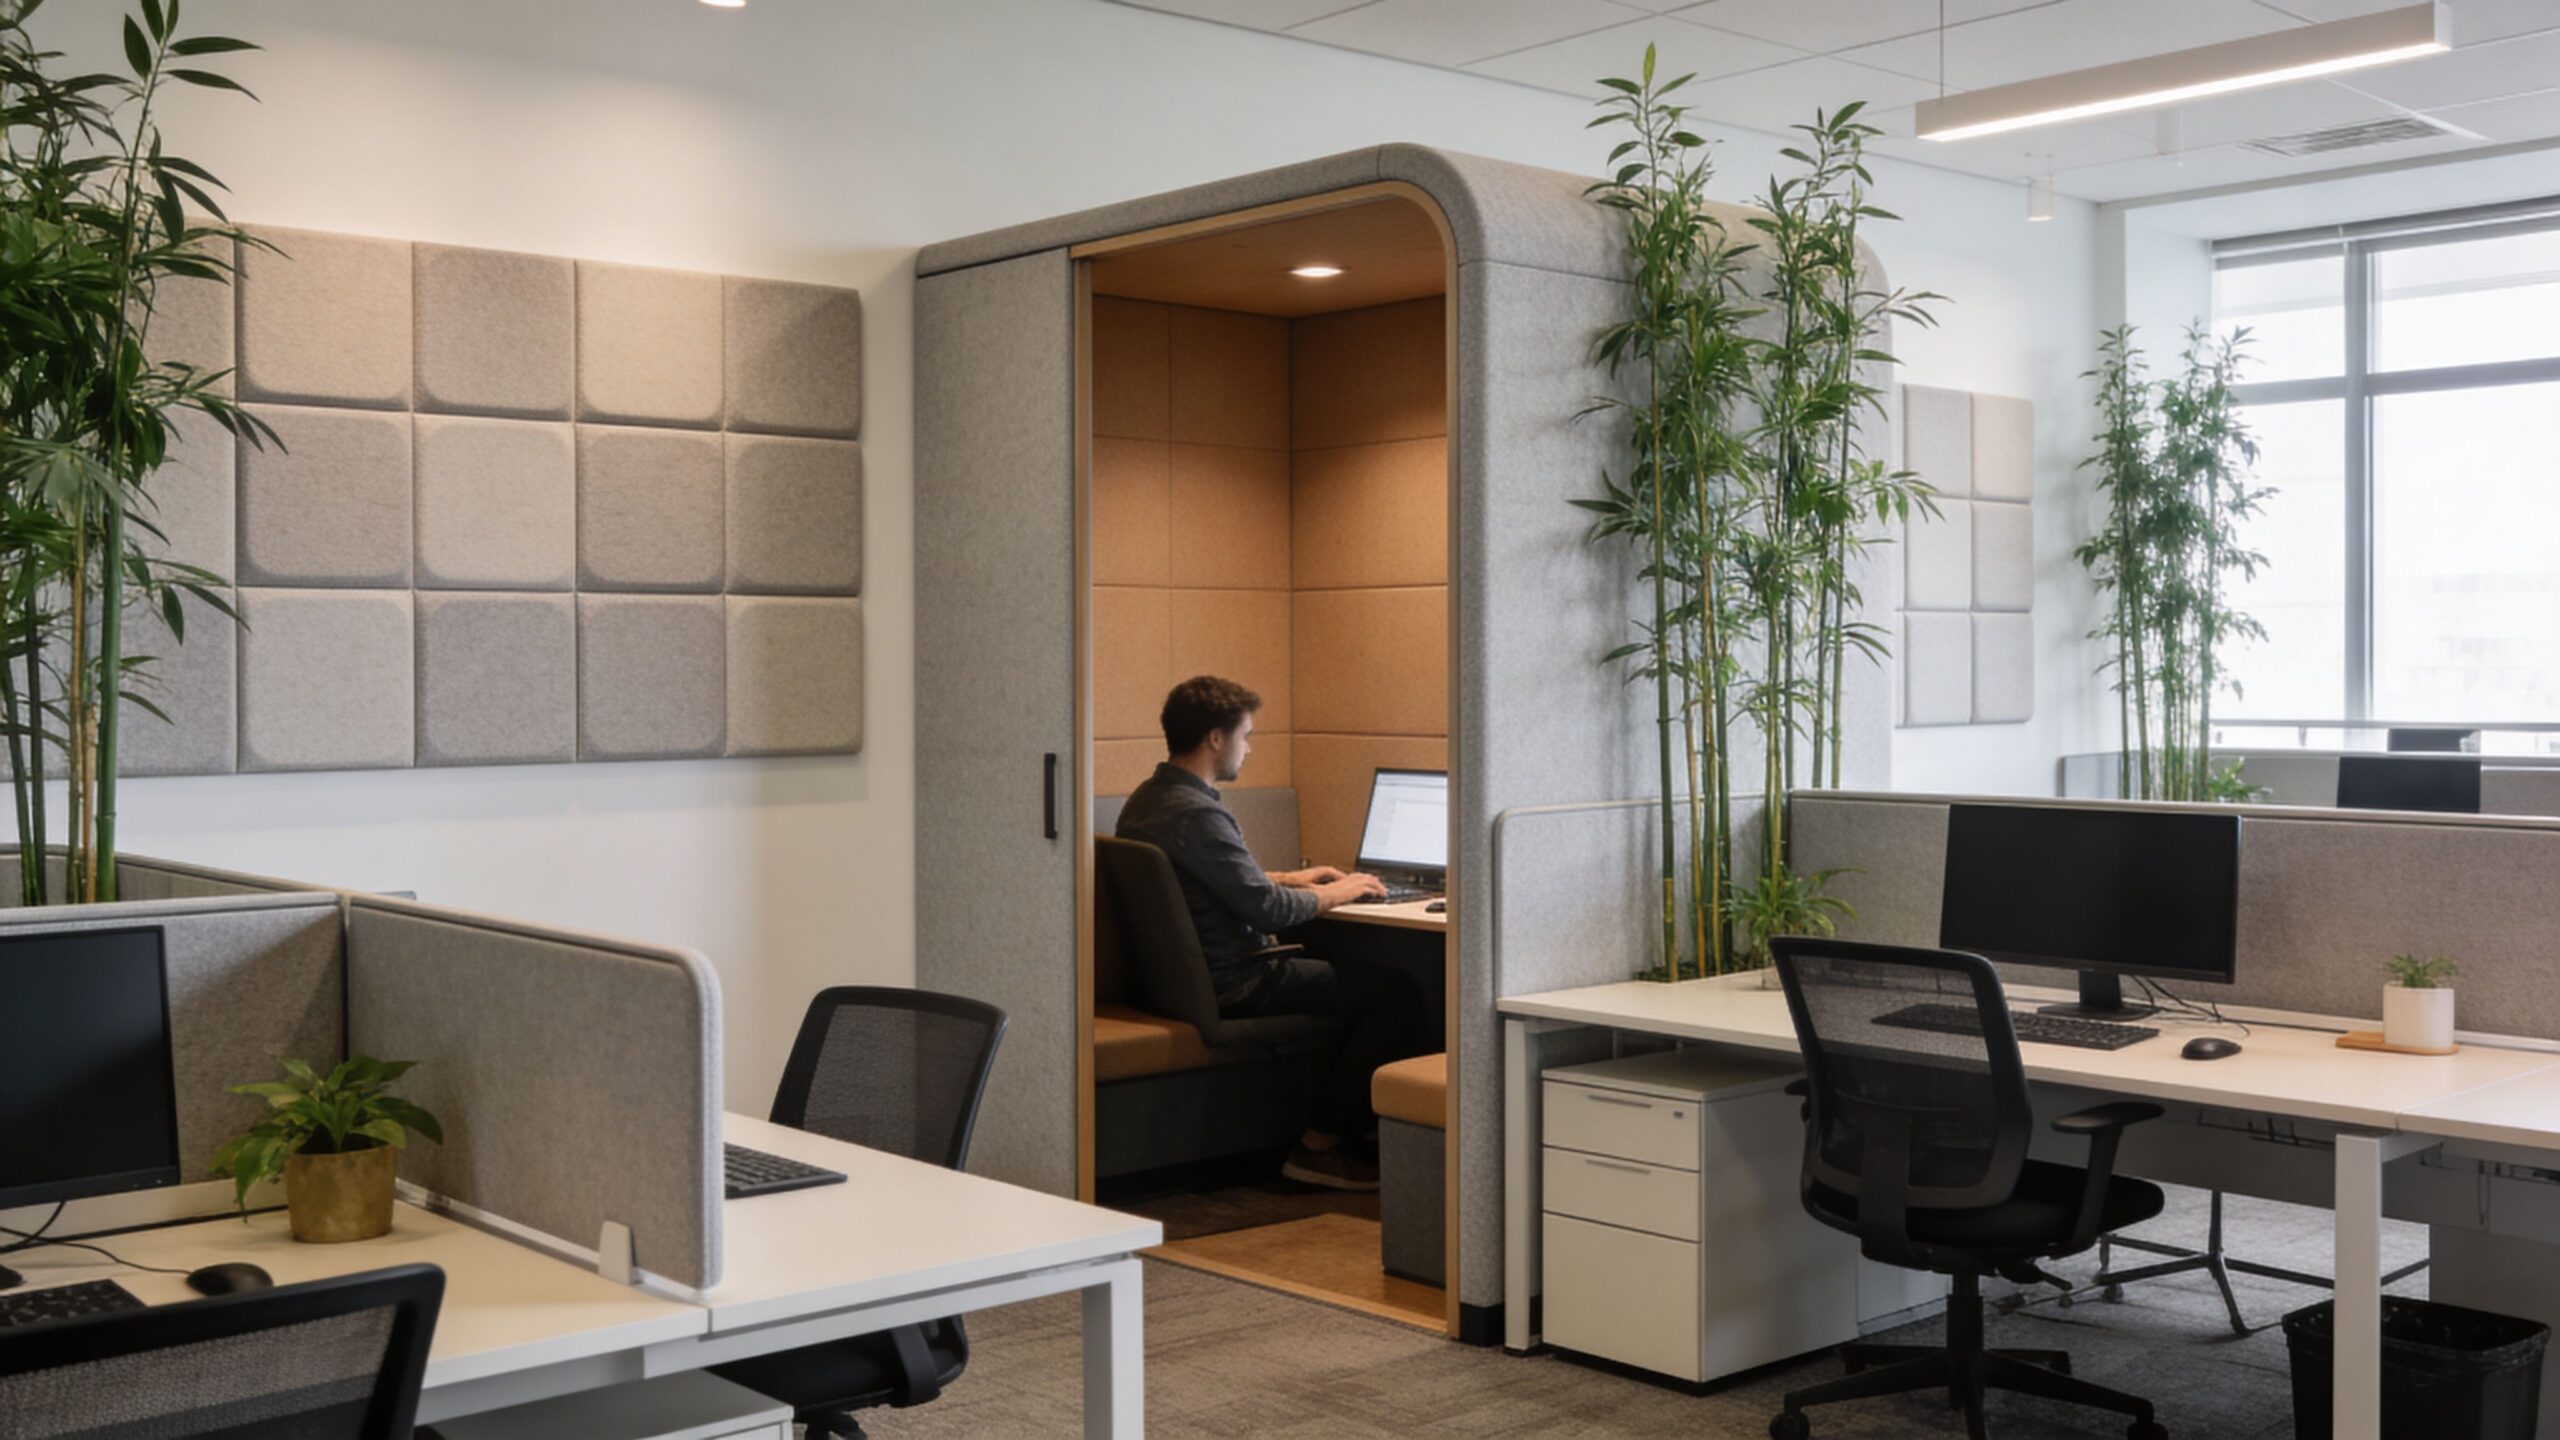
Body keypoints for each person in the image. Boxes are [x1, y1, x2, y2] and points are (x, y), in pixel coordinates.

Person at [1115, 674, 1425, 1190]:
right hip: (1238, 982)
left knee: (1355, 973)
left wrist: (1293, 877)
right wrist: (1341, 891)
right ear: (1216, 738)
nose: (1248, 749)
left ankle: (1353, 1132)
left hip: (1176, 982)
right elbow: (1268, 912)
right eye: (1246, 736)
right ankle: (1319, 1146)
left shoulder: (1148, 800)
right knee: (1396, 993)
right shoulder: (1198, 813)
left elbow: (1215, 882)